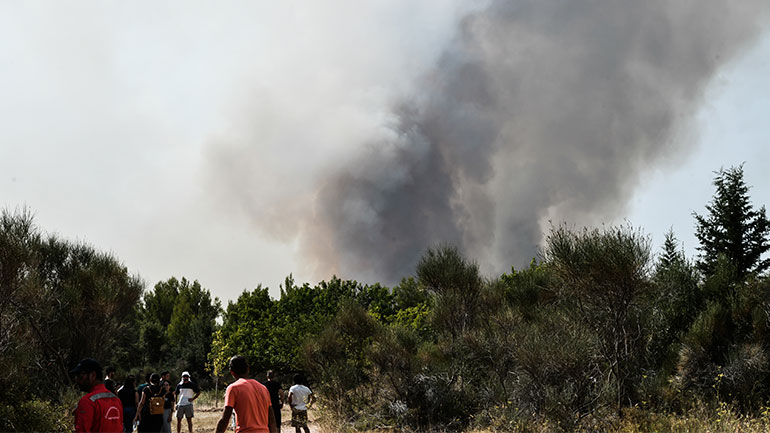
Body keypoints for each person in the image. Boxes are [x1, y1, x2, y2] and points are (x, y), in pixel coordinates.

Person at [215, 355, 276, 433]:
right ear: (248, 369)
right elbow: (271, 419)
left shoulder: (233, 388)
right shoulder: (263, 388)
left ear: (232, 372)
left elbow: (225, 419)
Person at [71, 358, 123, 433]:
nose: (77, 380)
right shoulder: (116, 400)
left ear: (93, 375)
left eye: (80, 376)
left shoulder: (87, 402)